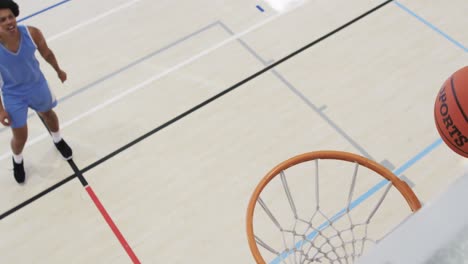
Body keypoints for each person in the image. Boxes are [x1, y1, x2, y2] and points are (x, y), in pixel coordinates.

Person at [0, 0, 72, 184]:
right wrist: (1, 110)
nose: (9, 22)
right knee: (20, 135)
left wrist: (58, 70)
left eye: (10, 17)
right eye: (2, 20)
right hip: (13, 94)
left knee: (49, 114)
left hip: (37, 85)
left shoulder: (32, 33)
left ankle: (58, 140)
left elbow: (46, 53)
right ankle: (17, 160)